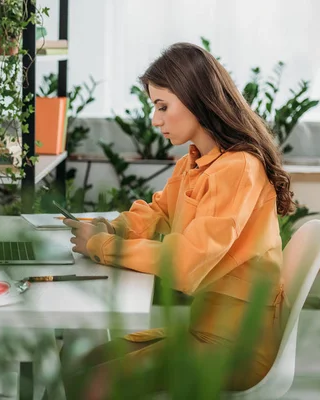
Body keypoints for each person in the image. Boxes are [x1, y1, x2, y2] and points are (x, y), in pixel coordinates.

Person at [62, 42, 295, 399]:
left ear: (197, 100)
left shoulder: (238, 169)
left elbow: (186, 263)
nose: (155, 120)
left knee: (93, 383)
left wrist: (103, 246)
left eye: (162, 107)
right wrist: (108, 228)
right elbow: (158, 213)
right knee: (80, 359)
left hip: (236, 347)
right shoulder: (195, 163)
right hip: (203, 331)